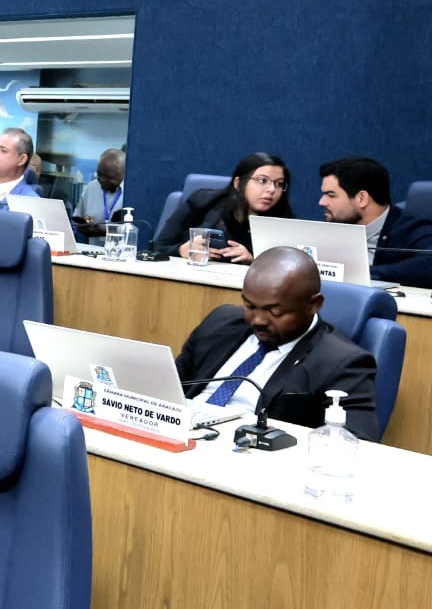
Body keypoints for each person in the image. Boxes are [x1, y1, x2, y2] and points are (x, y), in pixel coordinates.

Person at [175, 247, 378, 440]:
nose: (258, 320)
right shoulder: (220, 322)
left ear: (314, 305)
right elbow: (172, 387)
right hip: (180, 432)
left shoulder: (343, 363)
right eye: (250, 306)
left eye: (275, 311)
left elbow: (356, 442)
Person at [155, 152, 295, 263]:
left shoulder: (283, 221)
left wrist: (253, 261)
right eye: (262, 180)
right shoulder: (203, 201)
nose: (272, 189)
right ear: (238, 183)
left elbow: (292, 268)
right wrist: (181, 250)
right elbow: (157, 247)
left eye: (279, 184)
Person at [318, 156, 432, 287]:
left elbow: (428, 265)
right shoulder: (333, 229)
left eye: (331, 195)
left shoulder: (414, 229)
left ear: (362, 198)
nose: (322, 202)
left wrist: (363, 274)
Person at [74, 149, 126, 240]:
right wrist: (84, 227)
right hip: (92, 247)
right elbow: (78, 220)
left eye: (108, 177)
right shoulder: (91, 188)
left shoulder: (131, 193)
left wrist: (104, 231)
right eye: (99, 174)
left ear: (123, 173)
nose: (102, 180)